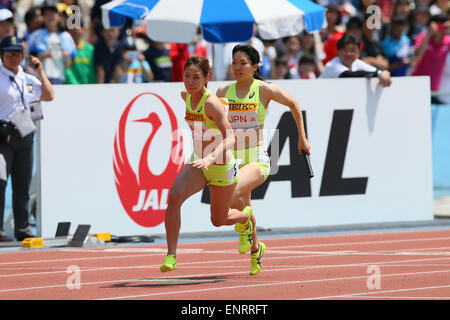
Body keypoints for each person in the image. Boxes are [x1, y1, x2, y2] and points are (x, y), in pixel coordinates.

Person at [216, 44, 311, 275]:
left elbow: (293, 104)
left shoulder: (263, 89)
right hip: (232, 159)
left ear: (255, 66)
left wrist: (302, 138)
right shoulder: (222, 92)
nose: (237, 67)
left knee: (232, 193)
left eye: (243, 63)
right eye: (234, 62)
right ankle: (256, 247)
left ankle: (244, 226)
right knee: (241, 204)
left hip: (256, 158)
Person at [160, 55, 255, 274]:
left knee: (219, 220)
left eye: (196, 77)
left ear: (206, 78)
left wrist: (211, 157)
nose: (190, 82)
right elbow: (185, 95)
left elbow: (231, 137)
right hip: (199, 163)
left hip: (220, 165)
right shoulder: (186, 95)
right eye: (186, 76)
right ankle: (171, 256)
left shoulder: (211, 103)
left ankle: (245, 218)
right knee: (174, 197)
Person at [0, 35, 54, 242]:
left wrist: (40, 71)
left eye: (17, 53)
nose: (13, 57)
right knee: (0, 182)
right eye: (8, 53)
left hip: (25, 136)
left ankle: (23, 229)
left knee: (22, 184)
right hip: (3, 137)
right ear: (1, 56)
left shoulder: (27, 77)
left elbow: (49, 95)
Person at [27, 3, 77, 84]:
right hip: (39, 80)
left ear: (59, 17)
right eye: (47, 14)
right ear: (43, 17)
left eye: (53, 13)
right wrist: (42, 56)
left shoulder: (67, 37)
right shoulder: (35, 35)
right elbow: (27, 60)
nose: (50, 16)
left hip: (60, 80)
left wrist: (66, 57)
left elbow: (69, 65)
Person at [320, 34, 392, 87]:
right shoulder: (332, 65)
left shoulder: (357, 62)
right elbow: (348, 75)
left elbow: (374, 71)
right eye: (345, 50)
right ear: (338, 52)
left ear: (358, 53)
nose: (348, 54)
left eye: (352, 50)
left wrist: (383, 73)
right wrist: (378, 74)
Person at [411, 14, 450, 101]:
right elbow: (417, 55)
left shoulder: (447, 40)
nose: (439, 29)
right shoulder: (422, 36)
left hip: (434, 89)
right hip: (417, 85)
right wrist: (428, 35)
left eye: (442, 26)